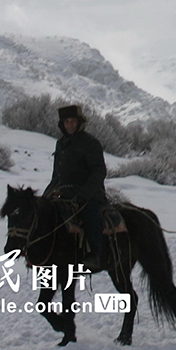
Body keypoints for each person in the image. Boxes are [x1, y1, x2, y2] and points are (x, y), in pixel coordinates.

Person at [45, 104, 107, 271]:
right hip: (64, 195)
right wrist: (46, 196)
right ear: (62, 124)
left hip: (89, 195)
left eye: (73, 121)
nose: (70, 125)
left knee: (90, 216)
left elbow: (99, 171)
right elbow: (56, 175)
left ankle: (93, 254)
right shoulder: (60, 144)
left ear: (79, 122)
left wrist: (83, 195)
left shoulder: (91, 143)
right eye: (67, 122)